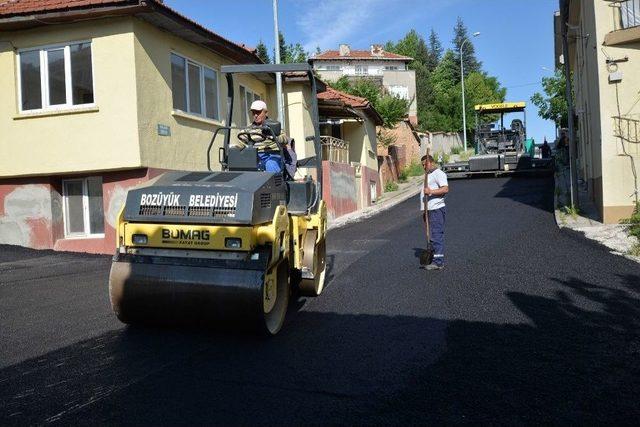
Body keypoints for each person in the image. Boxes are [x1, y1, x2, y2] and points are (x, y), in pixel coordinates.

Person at [247, 100, 295, 177]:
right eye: (253, 112)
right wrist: (235, 147)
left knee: (271, 164)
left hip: (273, 155)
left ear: (266, 113)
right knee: (243, 165)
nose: (255, 115)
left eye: (258, 112)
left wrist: (274, 137)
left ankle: (274, 187)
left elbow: (284, 139)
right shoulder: (248, 129)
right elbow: (241, 142)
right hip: (255, 156)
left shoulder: (274, 125)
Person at [420, 154, 449, 270]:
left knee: (437, 236)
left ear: (431, 163)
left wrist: (431, 191)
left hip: (436, 210)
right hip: (429, 210)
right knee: (433, 236)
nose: (423, 167)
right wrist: (424, 213)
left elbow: (445, 189)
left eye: (425, 164)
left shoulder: (439, 174)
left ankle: (438, 262)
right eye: (422, 165)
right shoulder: (428, 175)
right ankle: (435, 258)